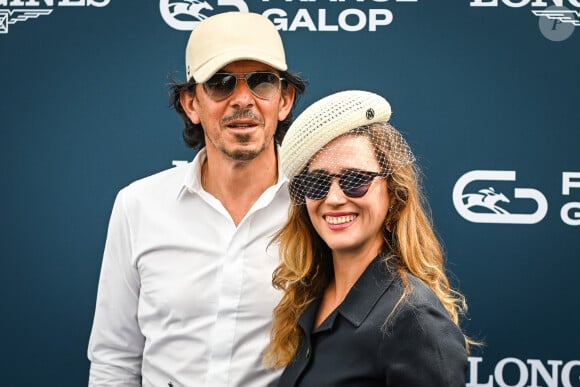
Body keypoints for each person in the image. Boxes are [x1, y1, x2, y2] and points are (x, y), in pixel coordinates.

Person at [87, 12, 306, 387]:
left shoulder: (316, 206)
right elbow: (115, 360)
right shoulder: (138, 205)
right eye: (221, 84)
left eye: (261, 82)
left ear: (284, 100)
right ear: (191, 103)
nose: (243, 100)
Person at [264, 90, 471, 386]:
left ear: (394, 193)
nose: (334, 198)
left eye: (355, 180)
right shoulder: (311, 300)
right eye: (318, 183)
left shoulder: (414, 320)